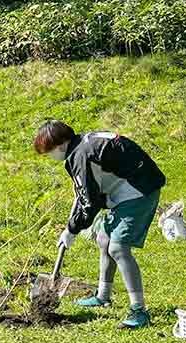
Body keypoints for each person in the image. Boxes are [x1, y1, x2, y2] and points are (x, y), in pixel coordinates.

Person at [34, 120, 165, 329]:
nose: (50, 158)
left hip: (139, 190)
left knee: (118, 247)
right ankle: (103, 296)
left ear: (58, 146)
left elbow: (90, 203)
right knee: (104, 238)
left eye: (48, 153)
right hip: (125, 189)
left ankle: (139, 311)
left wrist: (72, 229)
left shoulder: (82, 156)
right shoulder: (81, 147)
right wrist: (70, 227)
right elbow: (82, 194)